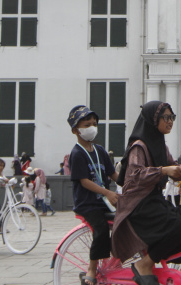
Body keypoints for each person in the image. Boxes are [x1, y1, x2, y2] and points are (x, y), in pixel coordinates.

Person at [112, 101, 181, 285]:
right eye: (166, 117)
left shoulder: (161, 144)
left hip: (154, 201)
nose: (170, 122)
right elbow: (135, 176)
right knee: (180, 226)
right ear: (153, 119)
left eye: (172, 117)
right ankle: (144, 264)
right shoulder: (139, 146)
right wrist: (163, 171)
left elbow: (175, 169)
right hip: (138, 205)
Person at [67, 105, 118, 285]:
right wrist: (107, 192)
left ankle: (117, 258)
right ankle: (92, 267)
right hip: (88, 203)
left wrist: (130, 185)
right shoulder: (76, 153)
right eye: (87, 124)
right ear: (76, 130)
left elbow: (113, 175)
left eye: (94, 124)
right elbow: (84, 181)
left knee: (128, 219)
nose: (92, 128)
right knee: (101, 228)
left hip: (105, 201)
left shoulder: (100, 151)